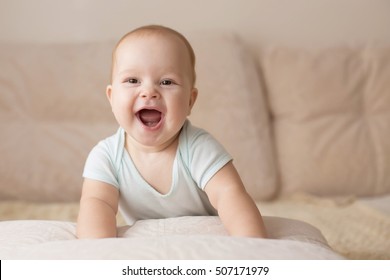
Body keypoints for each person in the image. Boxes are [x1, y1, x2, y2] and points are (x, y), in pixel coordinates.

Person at [76, 25, 267, 239]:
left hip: (203, 239)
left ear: (189, 101)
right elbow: (96, 204)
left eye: (166, 82)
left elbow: (229, 195)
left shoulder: (198, 147)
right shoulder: (106, 157)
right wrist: (97, 256)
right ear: (111, 97)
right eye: (133, 80)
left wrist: (253, 246)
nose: (149, 92)